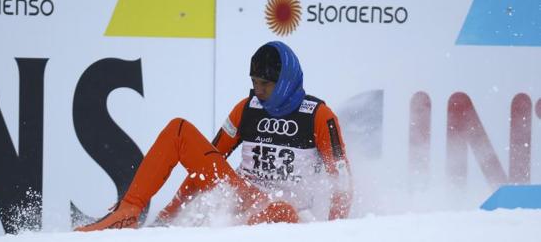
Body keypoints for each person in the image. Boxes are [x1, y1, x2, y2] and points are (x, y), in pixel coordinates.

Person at [75, 41, 352, 231]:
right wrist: (168, 218)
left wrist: (332, 231)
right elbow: (208, 161)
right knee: (179, 130)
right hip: (244, 196)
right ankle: (128, 212)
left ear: (285, 80)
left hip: (290, 210)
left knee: (281, 211)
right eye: (254, 83)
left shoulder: (318, 116)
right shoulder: (246, 109)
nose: (258, 90)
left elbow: (342, 182)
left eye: (265, 84)